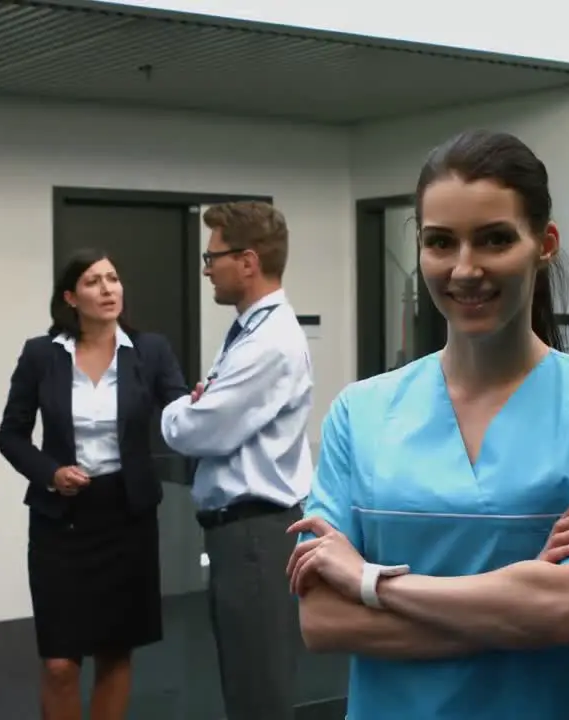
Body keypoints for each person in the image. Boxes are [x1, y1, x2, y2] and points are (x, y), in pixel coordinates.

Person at [286, 129, 569, 719]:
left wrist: (369, 582)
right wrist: (519, 600)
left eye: (494, 239)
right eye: (441, 243)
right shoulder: (359, 414)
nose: (465, 269)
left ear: (544, 243)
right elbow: (322, 619)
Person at [0, 249, 188, 720]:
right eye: (93, 281)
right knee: (61, 663)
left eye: (113, 279)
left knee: (115, 650)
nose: (108, 289)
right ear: (70, 297)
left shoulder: (151, 350)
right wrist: (50, 473)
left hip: (126, 515)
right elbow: (11, 435)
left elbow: (183, 415)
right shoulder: (42, 354)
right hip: (61, 520)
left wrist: (203, 401)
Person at [159, 201, 313, 720]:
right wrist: (201, 404)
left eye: (212, 257)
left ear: (247, 261)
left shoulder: (270, 341)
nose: (207, 270)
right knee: (245, 684)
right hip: (241, 536)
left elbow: (200, 428)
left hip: (256, 535)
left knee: (258, 693)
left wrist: (179, 409)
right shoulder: (252, 331)